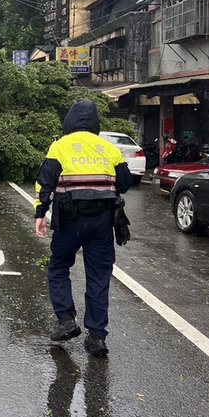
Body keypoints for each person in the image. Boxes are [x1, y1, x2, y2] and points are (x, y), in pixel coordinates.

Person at [34, 99, 132, 358]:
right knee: (99, 276)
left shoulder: (59, 146)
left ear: (68, 122)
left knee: (58, 267)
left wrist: (40, 214)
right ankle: (97, 336)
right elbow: (124, 183)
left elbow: (44, 183)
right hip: (101, 222)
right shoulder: (109, 149)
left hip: (69, 219)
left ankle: (66, 320)